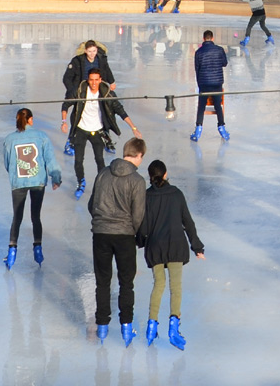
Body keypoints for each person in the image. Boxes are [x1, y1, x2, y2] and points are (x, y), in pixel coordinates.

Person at [136, 160, 204, 350]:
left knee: (158, 285)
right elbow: (188, 223)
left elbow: (143, 226)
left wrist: (140, 242)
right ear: (165, 174)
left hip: (155, 247)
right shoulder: (176, 194)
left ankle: (151, 325)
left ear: (150, 176)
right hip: (175, 245)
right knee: (176, 287)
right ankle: (173, 328)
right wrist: (197, 246)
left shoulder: (146, 196)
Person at [88, 138, 148, 346]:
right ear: (138, 155)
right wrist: (135, 233)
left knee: (102, 282)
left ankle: (102, 326)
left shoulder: (103, 173)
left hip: (101, 233)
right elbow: (138, 214)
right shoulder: (137, 181)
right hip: (124, 236)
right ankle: (126, 325)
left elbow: (91, 204)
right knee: (126, 283)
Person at [61, 69, 142, 199]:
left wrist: (133, 127)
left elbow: (120, 110)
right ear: (88, 80)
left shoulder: (107, 93)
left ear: (100, 80)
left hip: (97, 130)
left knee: (99, 159)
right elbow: (66, 104)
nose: (93, 83)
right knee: (78, 160)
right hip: (81, 129)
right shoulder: (80, 90)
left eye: (96, 80)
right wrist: (64, 121)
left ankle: (102, 184)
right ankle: (81, 182)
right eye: (91, 80)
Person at [2, 109, 63, 269]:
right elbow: (50, 159)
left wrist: (16, 175)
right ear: (31, 120)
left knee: (17, 217)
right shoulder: (41, 137)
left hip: (18, 183)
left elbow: (7, 164)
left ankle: (12, 251)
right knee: (35, 216)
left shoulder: (10, 139)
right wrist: (55, 178)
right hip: (37, 182)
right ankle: (38, 248)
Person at [192, 30, 230, 142]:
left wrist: (200, 84)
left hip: (204, 83)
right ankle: (222, 128)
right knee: (218, 105)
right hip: (217, 83)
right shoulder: (219, 50)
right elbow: (224, 63)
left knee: (201, 107)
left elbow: (197, 69)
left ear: (204, 39)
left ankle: (198, 130)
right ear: (212, 38)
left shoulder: (198, 52)